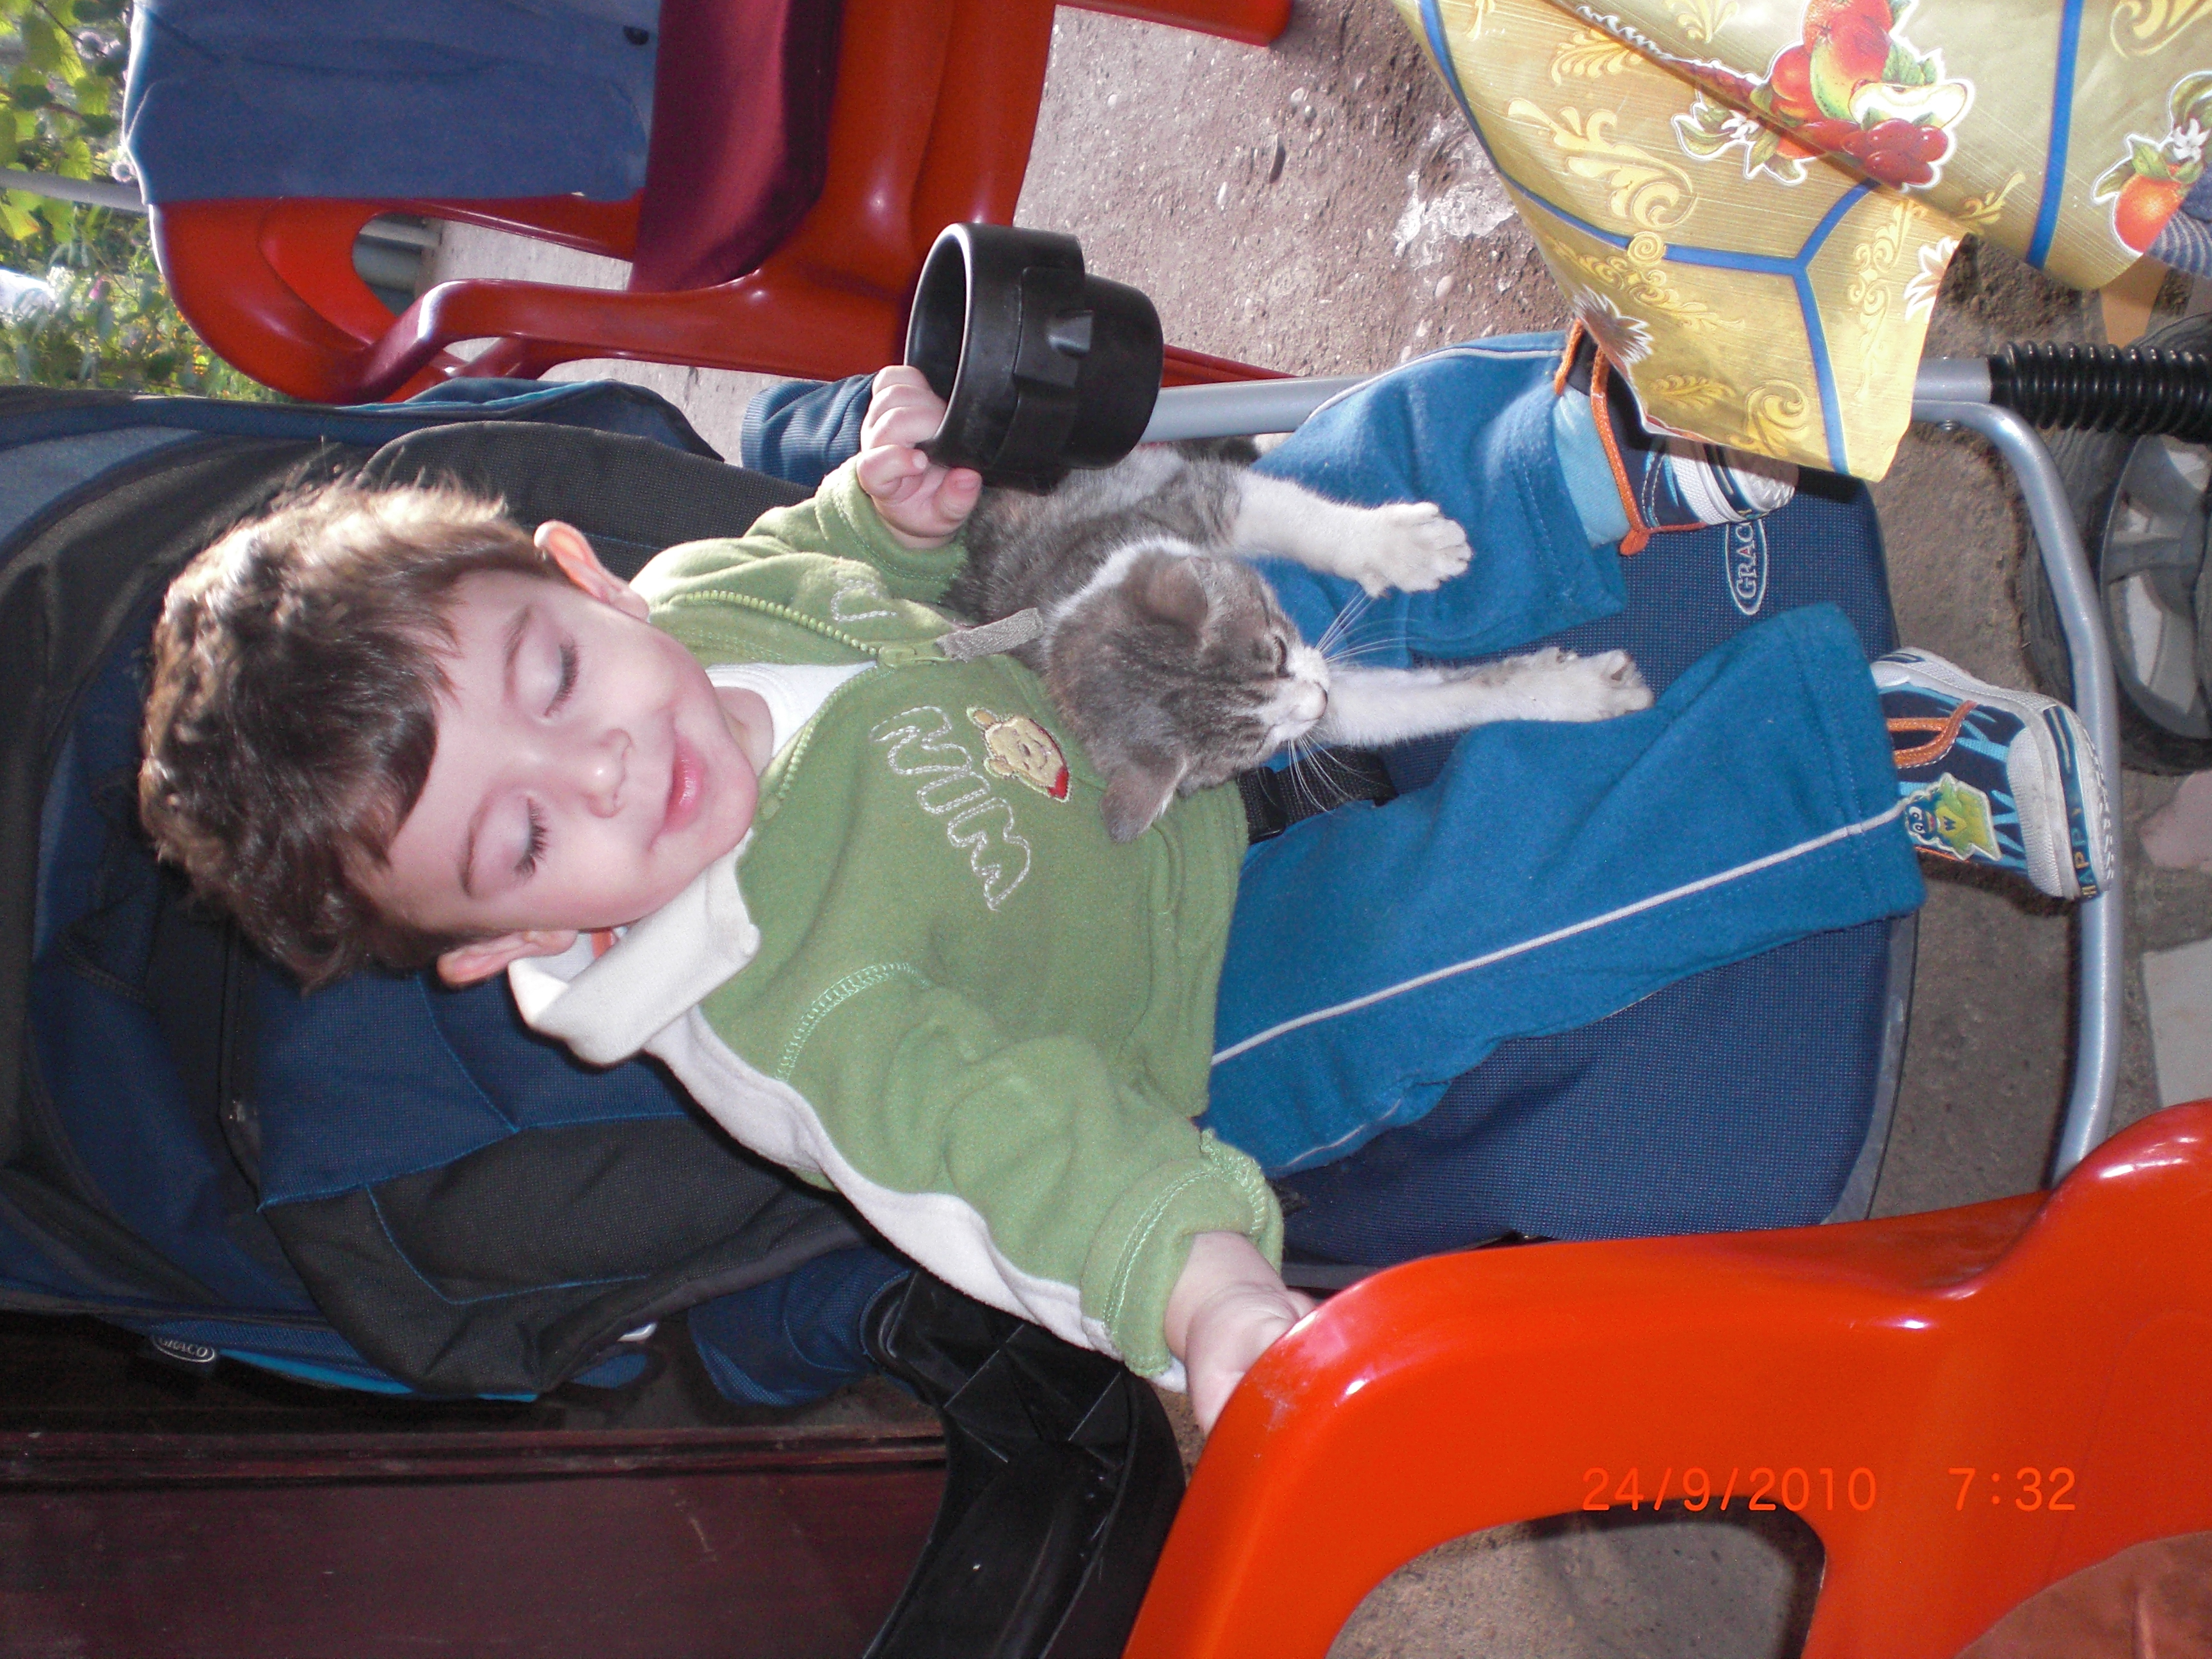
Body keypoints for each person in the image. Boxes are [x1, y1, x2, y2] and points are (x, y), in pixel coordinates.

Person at [136, 335, 2110, 1432]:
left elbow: (858, 561)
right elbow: (1009, 1160)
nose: (600, 768)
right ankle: (1855, 763)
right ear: (519, 942)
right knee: (1444, 947)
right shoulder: (778, 1008)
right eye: (525, 837)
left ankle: (1612, 460)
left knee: (1318, 488)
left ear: (579, 580)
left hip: (1118, 714)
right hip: (1182, 1010)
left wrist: (892, 505)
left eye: (556, 679)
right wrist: (1198, 1289)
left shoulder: (705, 601)